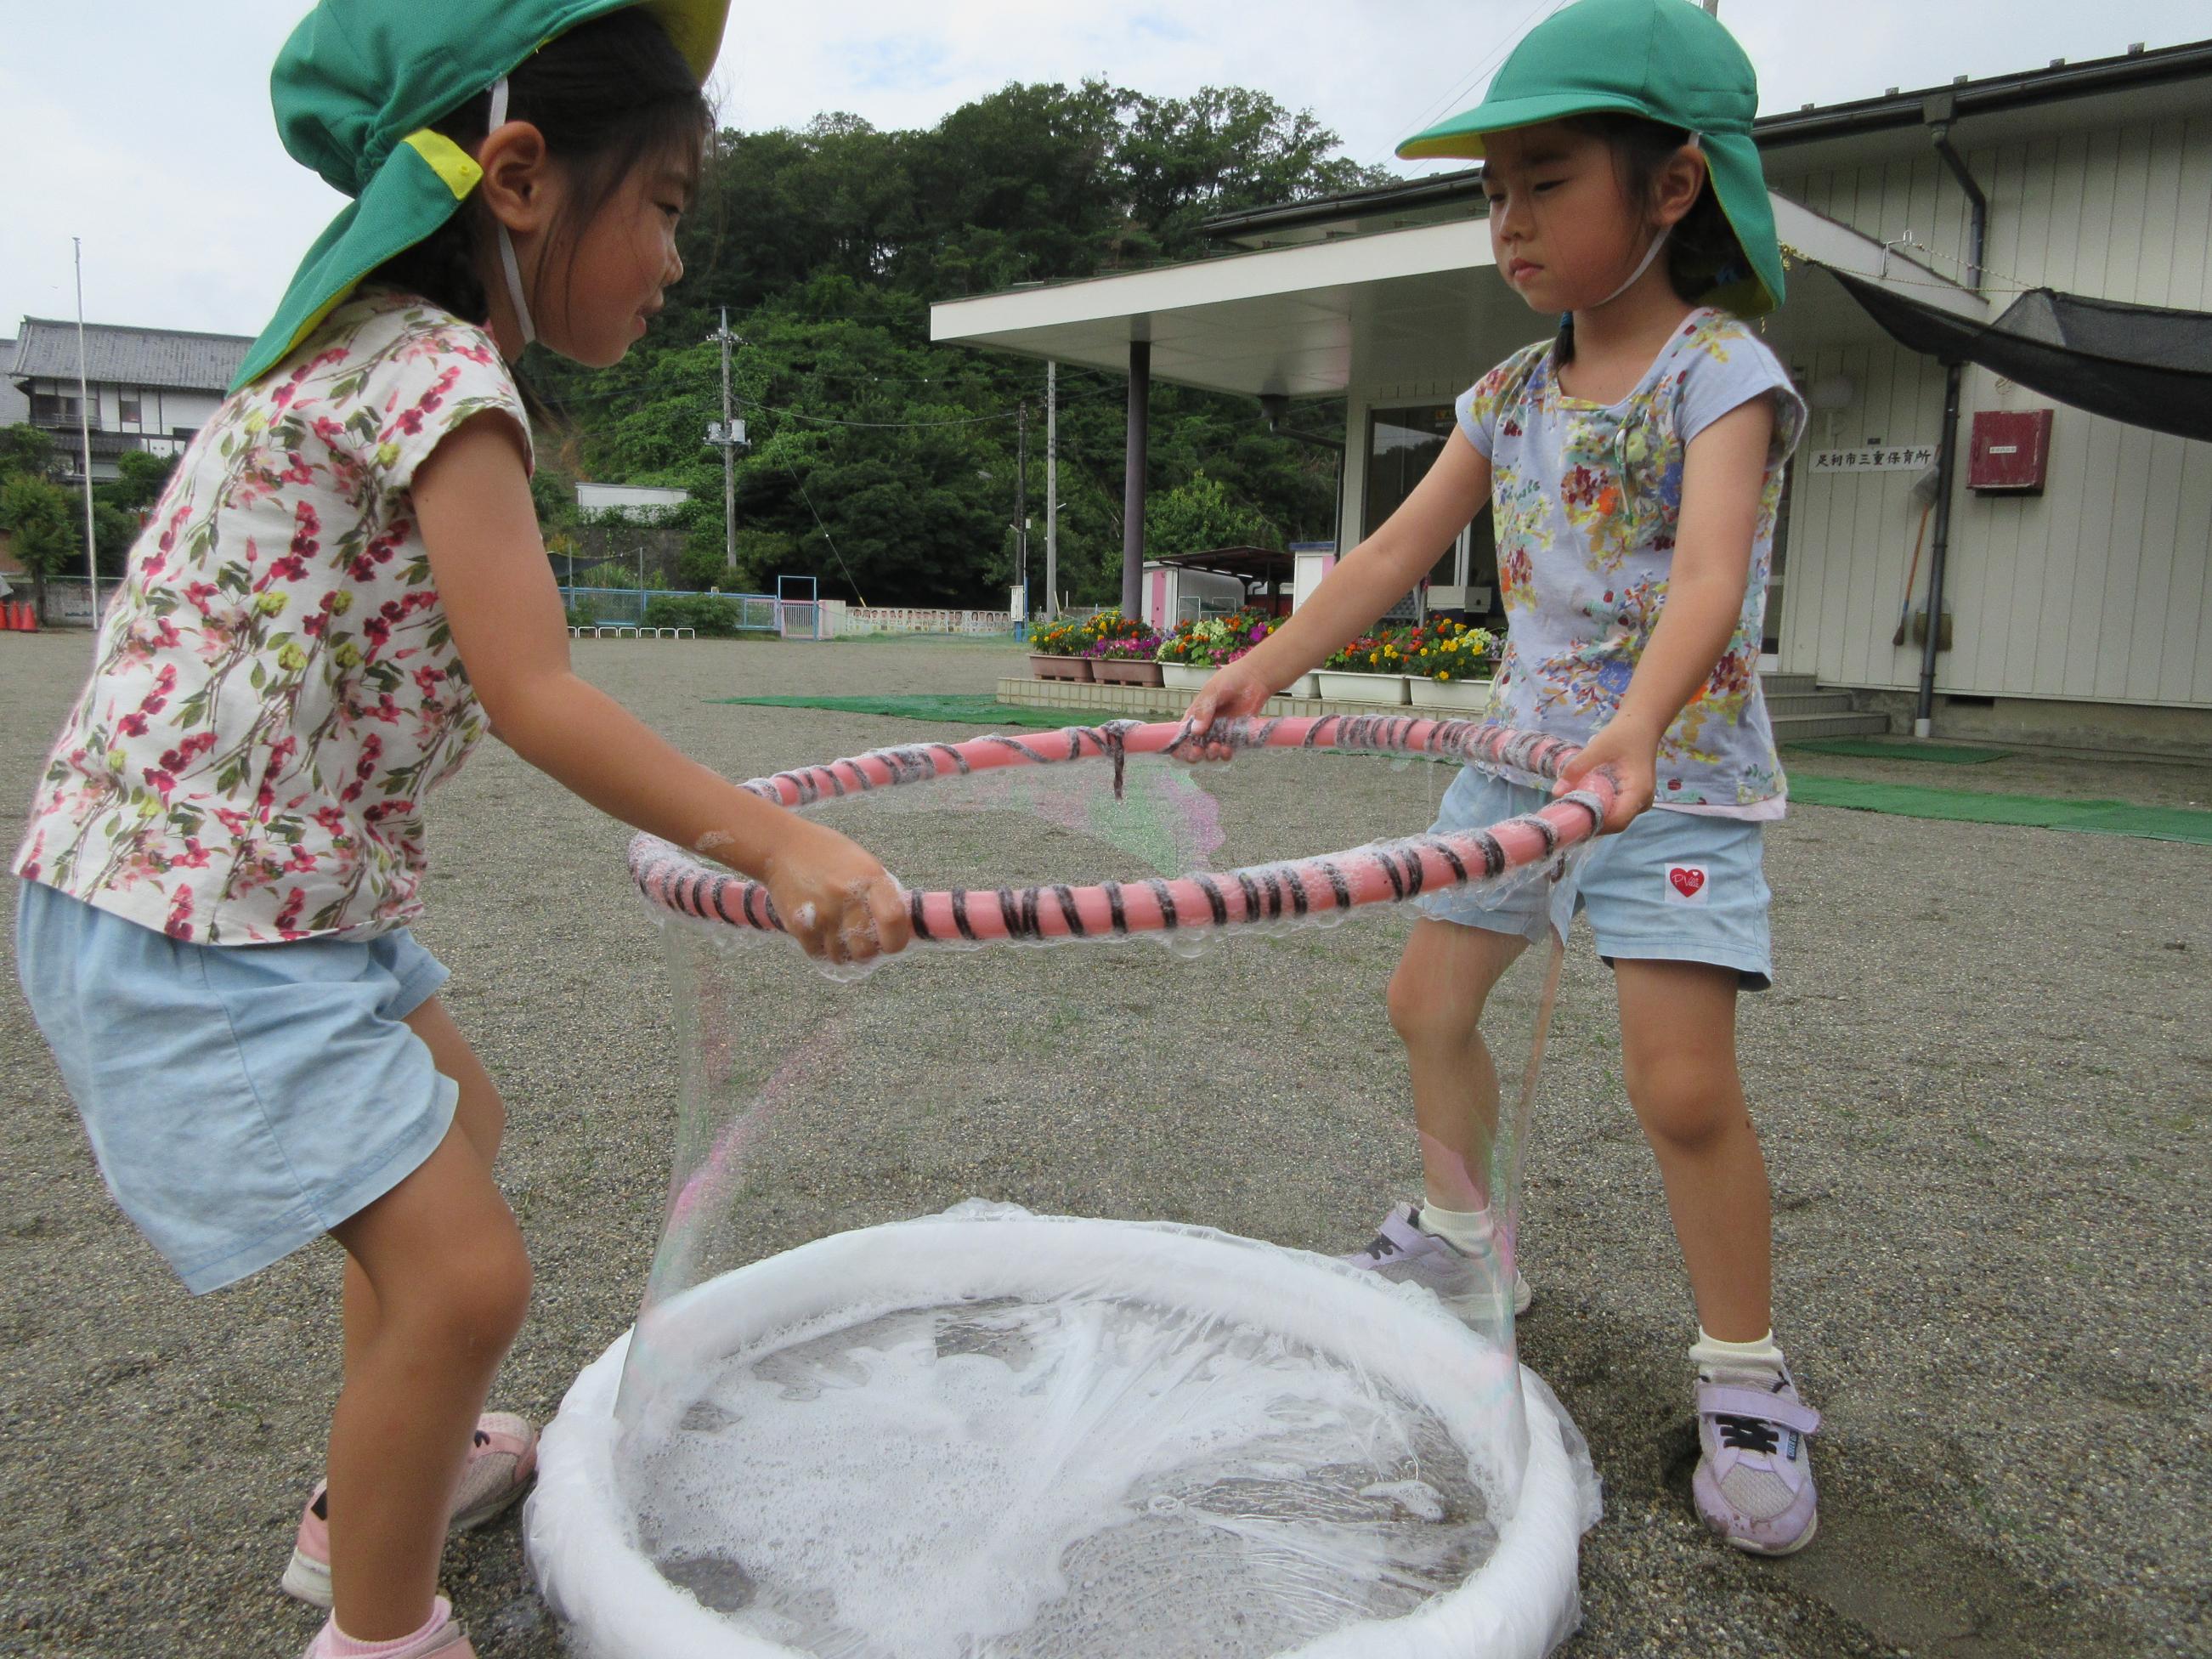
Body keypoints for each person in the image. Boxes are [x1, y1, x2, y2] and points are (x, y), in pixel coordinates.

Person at [9, 4, 911, 1654]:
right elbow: (537, 689)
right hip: (199, 908)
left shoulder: (359, 347)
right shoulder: (432, 372)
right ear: (515, 175)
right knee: (466, 1277)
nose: (672, 258)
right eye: (667, 205)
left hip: (265, 888)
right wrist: (777, 847)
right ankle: (376, 1630)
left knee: (456, 1122)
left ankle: (377, 1490)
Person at [1186, 0, 1820, 1556]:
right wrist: (1269, 660)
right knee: (1425, 1001)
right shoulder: (1509, 395)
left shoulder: (1718, 374)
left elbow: (1710, 583)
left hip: (1670, 779)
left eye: (1545, 180)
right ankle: (1468, 1244)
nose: (1508, 219)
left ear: (1669, 190)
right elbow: (1401, 550)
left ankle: (1745, 1374)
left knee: (1679, 1088)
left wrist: (1639, 732)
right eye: (1494, 191)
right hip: (1514, 773)